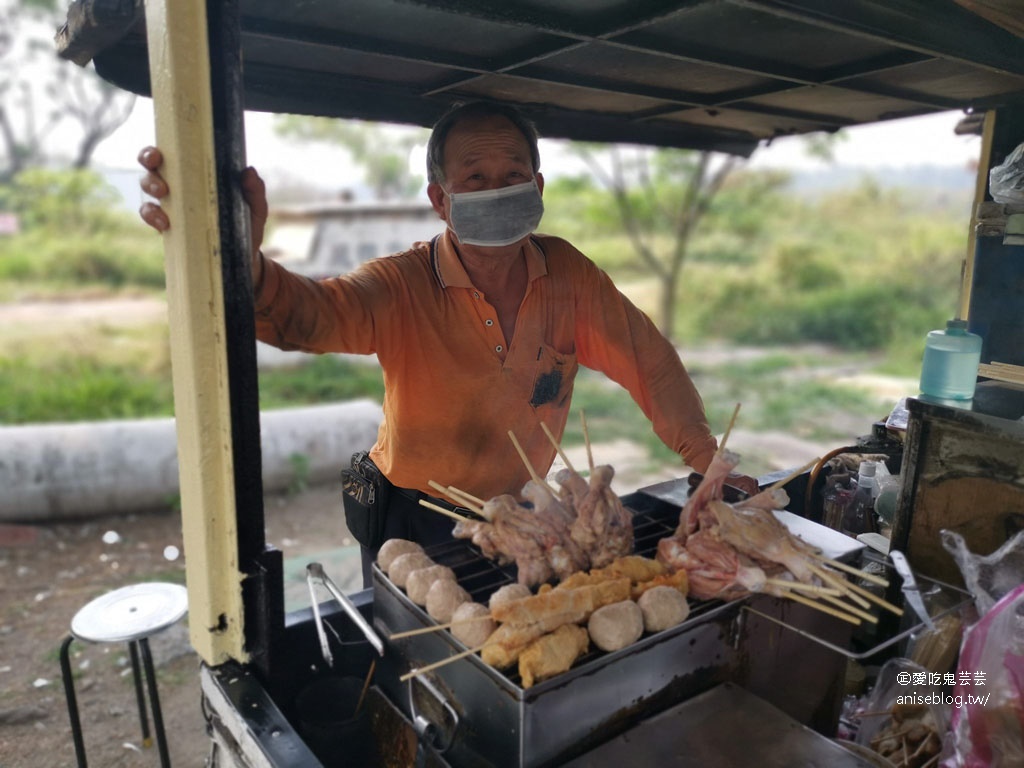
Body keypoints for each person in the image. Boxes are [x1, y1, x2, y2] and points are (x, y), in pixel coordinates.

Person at [139, 101, 758, 583]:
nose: (497, 190)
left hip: (524, 515)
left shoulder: (569, 275)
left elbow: (648, 361)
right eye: (476, 177)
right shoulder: (402, 285)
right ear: (441, 199)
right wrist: (243, 265)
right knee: (415, 654)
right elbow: (313, 315)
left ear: (538, 189)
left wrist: (706, 459)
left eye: (513, 176)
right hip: (414, 515)